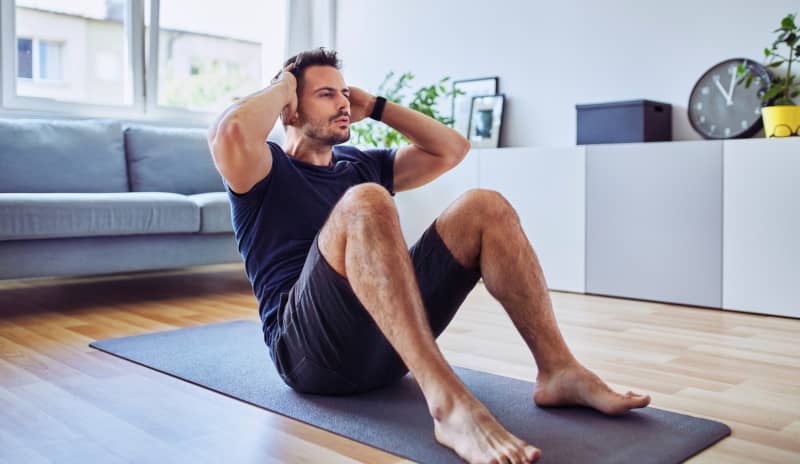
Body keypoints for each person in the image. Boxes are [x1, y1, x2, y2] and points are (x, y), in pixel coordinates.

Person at [207, 47, 651, 464]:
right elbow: (230, 131)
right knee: (367, 201)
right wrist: (284, 85)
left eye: (345, 93)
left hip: (386, 349)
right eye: (326, 94)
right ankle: (446, 404)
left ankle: (559, 370)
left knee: (484, 206)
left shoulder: (358, 163)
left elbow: (452, 149)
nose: (343, 103)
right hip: (310, 355)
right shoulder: (262, 169)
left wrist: (376, 106)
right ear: (291, 108)